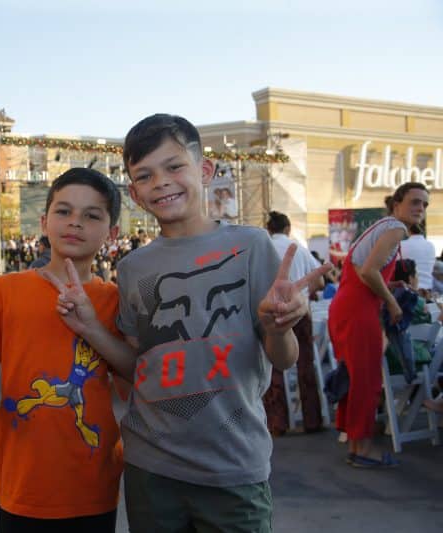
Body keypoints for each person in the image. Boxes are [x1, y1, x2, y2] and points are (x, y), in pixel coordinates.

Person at [42, 115, 328, 531]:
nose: (161, 182)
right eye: (144, 175)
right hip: (150, 467)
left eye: (174, 166)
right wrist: (90, 327)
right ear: (135, 193)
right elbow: (137, 367)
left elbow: (284, 360)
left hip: (233, 466)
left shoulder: (250, 246)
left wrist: (279, 328)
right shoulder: (133, 268)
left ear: (204, 170)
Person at [0, 168, 125, 531]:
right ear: (44, 222)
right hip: (23, 479)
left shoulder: (116, 300)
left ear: (112, 233)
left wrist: (94, 329)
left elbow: (132, 381)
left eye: (92, 215)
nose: (75, 222)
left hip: (93, 480)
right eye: (64, 211)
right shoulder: (5, 291)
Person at [328, 182, 429, 468]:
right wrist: (392, 302)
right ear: (397, 204)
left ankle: (356, 444)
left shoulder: (381, 227)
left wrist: (389, 285)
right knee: (367, 381)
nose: (421, 209)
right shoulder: (395, 229)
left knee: (356, 378)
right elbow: (369, 272)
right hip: (359, 311)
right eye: (415, 202)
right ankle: (363, 450)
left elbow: (363, 270)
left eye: (424, 204)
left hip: (347, 307)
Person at [262, 211, 325, 435]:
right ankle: (312, 420)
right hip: (300, 312)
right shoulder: (298, 248)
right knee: (305, 365)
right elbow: (319, 280)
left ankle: (277, 424)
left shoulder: (264, 247)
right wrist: (306, 293)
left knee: (273, 368)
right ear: (288, 228)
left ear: (269, 229)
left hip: (272, 313)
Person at [400, 223, 436, 296]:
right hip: (427, 289)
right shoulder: (430, 245)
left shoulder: (401, 245)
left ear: (408, 230)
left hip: (409, 290)